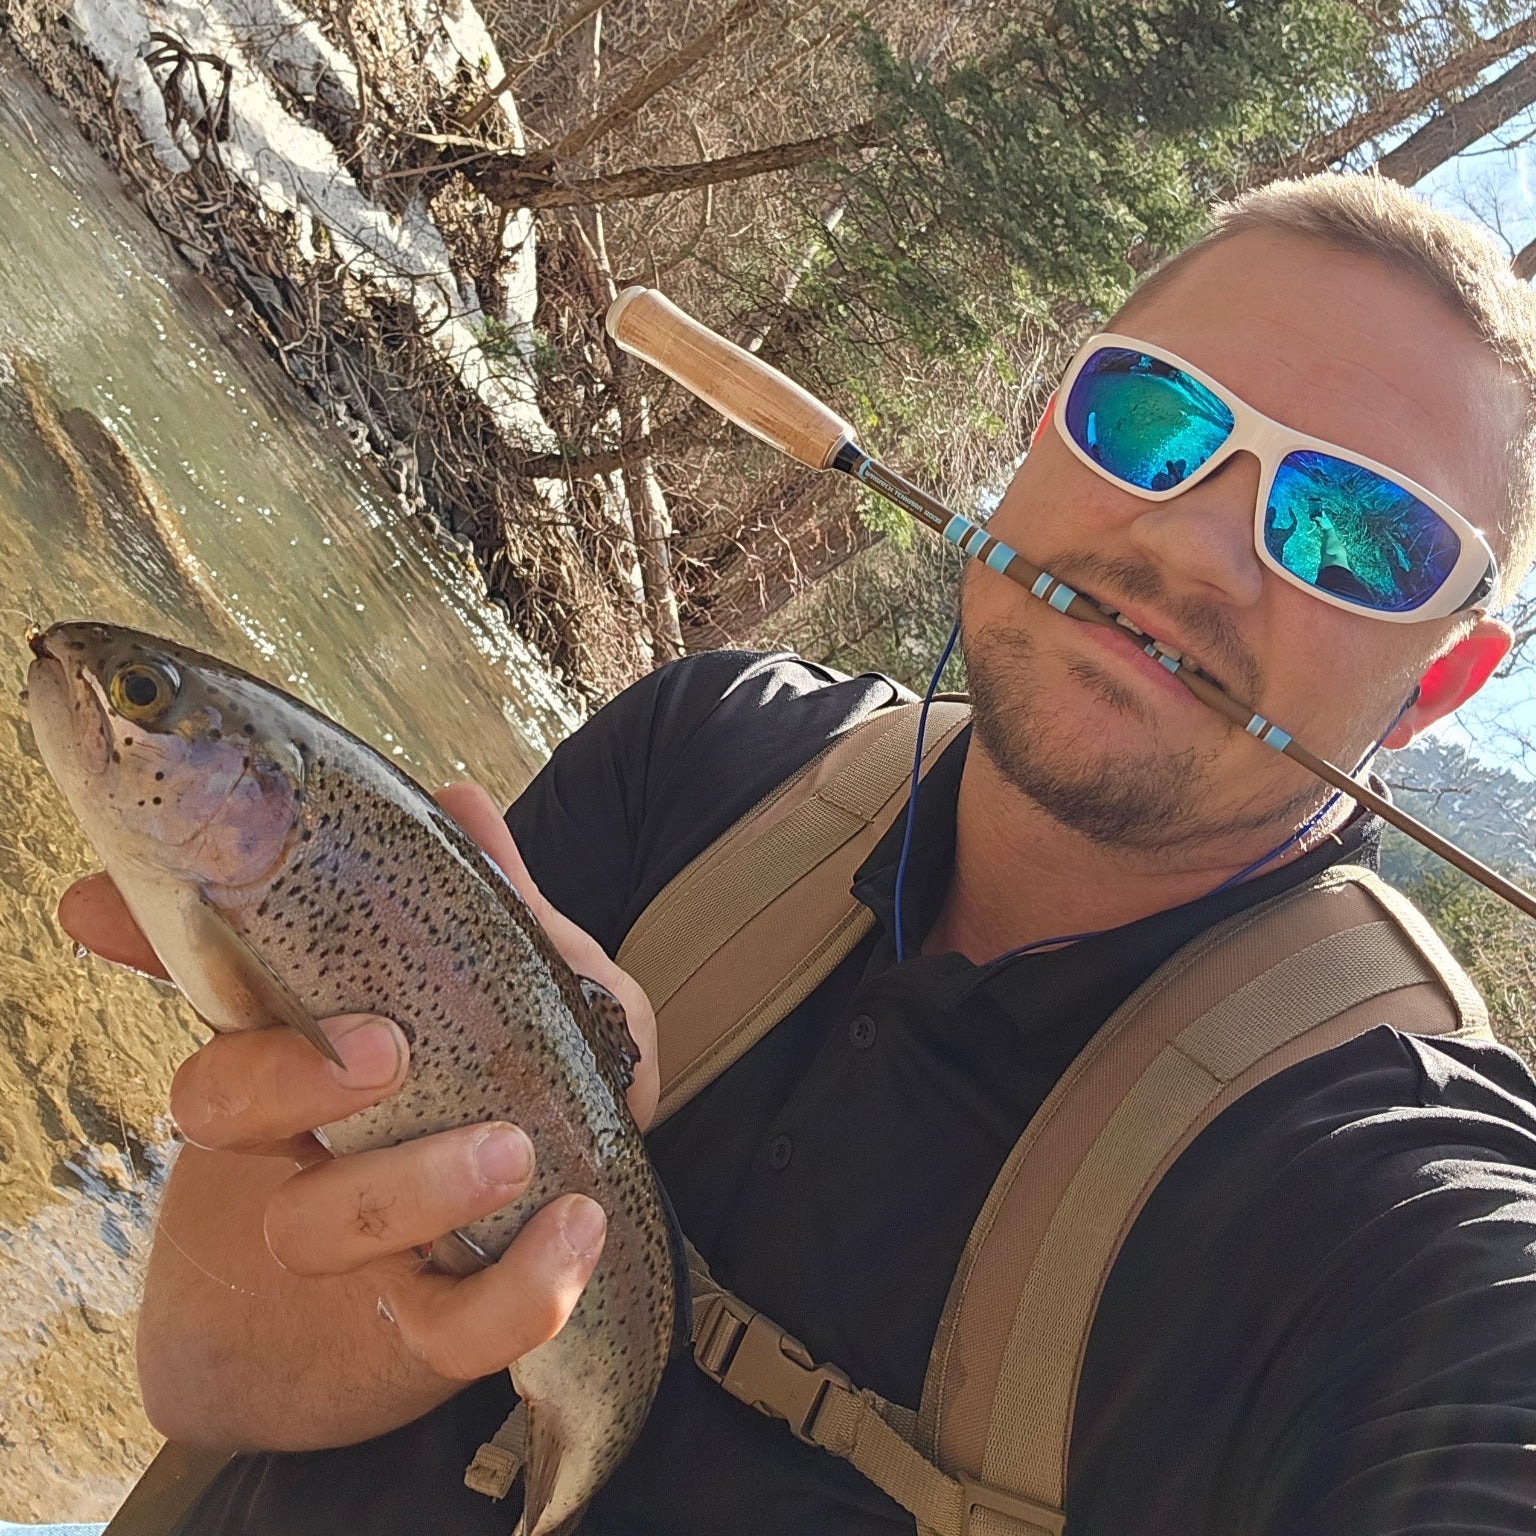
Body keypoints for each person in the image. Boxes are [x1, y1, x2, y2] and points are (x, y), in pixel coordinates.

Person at [62, 174, 1536, 1535]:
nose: (1200, 542)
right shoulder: (702, 746)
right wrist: (405, 1265)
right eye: (1153, 418)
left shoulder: (1393, 1211)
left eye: (1359, 535)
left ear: (1443, 682)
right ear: (1044, 427)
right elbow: (200, 1370)